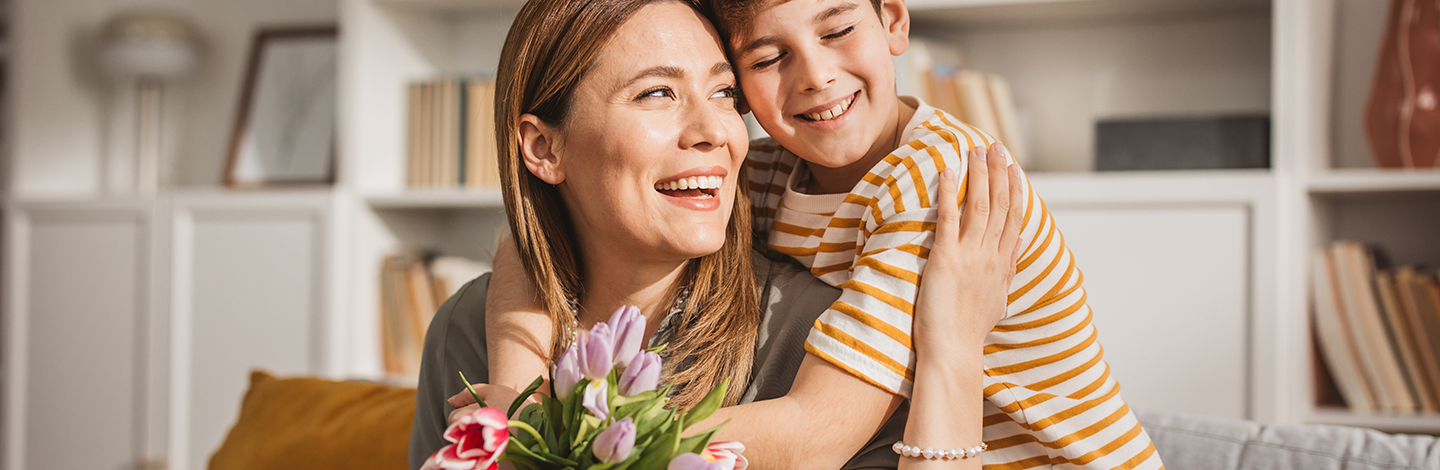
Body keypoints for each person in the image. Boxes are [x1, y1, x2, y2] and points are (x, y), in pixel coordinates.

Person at [411, 0, 1025, 468]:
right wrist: (519, 394)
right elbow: (528, 241)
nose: (716, 132)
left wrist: (561, 434)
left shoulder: (817, 335)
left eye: (724, 93)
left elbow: (816, 429)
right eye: (657, 93)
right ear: (544, 147)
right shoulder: (469, 330)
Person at [694, 0, 1166, 467]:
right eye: (769, 59)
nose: (816, 77)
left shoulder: (936, 176)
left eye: (837, 32)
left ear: (894, 22)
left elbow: (814, 437)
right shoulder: (761, 173)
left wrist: (627, 432)